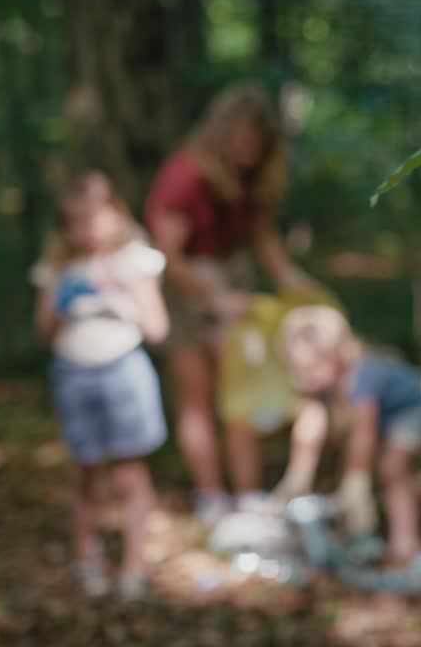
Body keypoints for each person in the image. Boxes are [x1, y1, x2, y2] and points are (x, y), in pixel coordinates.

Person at [145, 84, 311, 524]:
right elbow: (169, 257)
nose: (247, 153)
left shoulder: (252, 178)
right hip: (185, 287)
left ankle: (248, 495)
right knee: (197, 393)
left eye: (256, 145)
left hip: (231, 279)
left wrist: (293, 281)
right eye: (240, 142)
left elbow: (262, 234)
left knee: (241, 390)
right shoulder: (184, 177)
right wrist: (215, 299)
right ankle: (211, 495)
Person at [31, 172, 169, 600]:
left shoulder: (136, 261)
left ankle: (134, 565)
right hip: (74, 375)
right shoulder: (58, 267)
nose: (87, 230)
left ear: (117, 214)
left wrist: (126, 284)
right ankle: (86, 557)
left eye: (95, 218)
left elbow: (157, 328)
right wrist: (62, 299)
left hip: (123, 371)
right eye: (76, 222)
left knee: (129, 474)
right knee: (84, 471)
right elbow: (44, 332)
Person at [274, 305, 421, 562]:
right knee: (351, 465)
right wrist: (298, 474)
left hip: (405, 410)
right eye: (298, 369)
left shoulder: (364, 374)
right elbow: (309, 423)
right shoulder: (321, 380)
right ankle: (351, 536)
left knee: (391, 469)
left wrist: (356, 480)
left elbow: (364, 432)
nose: (305, 377)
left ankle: (405, 541)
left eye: (311, 367)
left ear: (336, 355)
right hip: (371, 416)